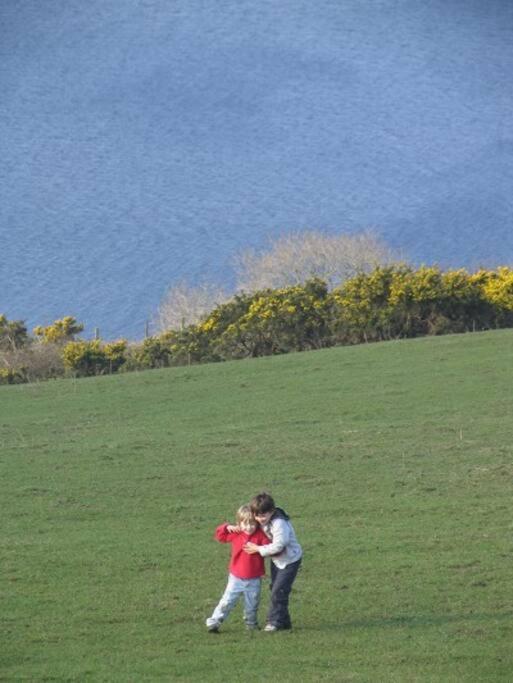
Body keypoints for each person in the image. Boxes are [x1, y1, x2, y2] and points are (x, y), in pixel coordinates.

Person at [205, 505, 270, 632]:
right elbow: (220, 536)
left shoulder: (260, 536)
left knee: (252, 604)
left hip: (254, 579)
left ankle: (251, 625)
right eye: (245, 524)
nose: (249, 527)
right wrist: (226, 527)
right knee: (227, 601)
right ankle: (214, 622)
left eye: (252, 524)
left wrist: (259, 548)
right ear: (239, 524)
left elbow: (269, 548)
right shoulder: (236, 534)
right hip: (236, 577)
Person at [244, 492, 303, 632]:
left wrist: (258, 549)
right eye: (257, 515)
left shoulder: (279, 523)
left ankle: (274, 622)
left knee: (278, 590)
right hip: (277, 560)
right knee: (276, 589)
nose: (259, 519)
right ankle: (284, 622)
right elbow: (247, 523)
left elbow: (279, 545)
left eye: (263, 515)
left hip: (290, 560)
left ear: (271, 511)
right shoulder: (261, 519)